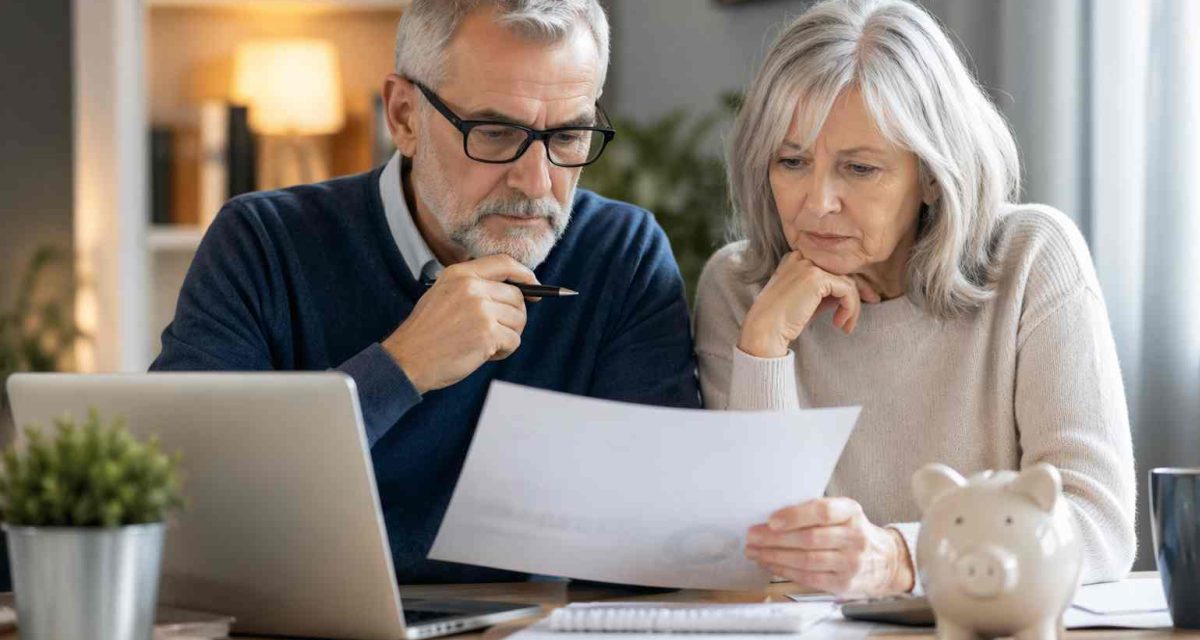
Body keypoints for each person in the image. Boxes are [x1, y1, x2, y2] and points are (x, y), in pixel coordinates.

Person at [152, 0, 700, 584]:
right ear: (405, 116)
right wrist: (401, 367)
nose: (537, 181)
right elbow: (179, 496)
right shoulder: (263, 243)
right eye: (494, 133)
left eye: (568, 136)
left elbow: (651, 552)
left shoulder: (621, 253)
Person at [695, 0, 1136, 598]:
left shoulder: (1031, 258)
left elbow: (1096, 524)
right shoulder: (739, 288)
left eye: (859, 169)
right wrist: (764, 350)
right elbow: (756, 551)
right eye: (792, 161)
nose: (817, 201)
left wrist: (905, 558)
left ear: (931, 175)